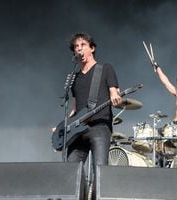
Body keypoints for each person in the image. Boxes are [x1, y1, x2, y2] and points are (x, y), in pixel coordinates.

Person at [67, 32, 122, 199]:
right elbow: (75, 108)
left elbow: (115, 92)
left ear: (92, 48)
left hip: (99, 127)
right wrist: (65, 127)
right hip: (77, 131)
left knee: (100, 173)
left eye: (82, 45)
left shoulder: (105, 69)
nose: (79, 49)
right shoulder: (74, 78)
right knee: (70, 173)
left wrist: (116, 97)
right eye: (76, 47)